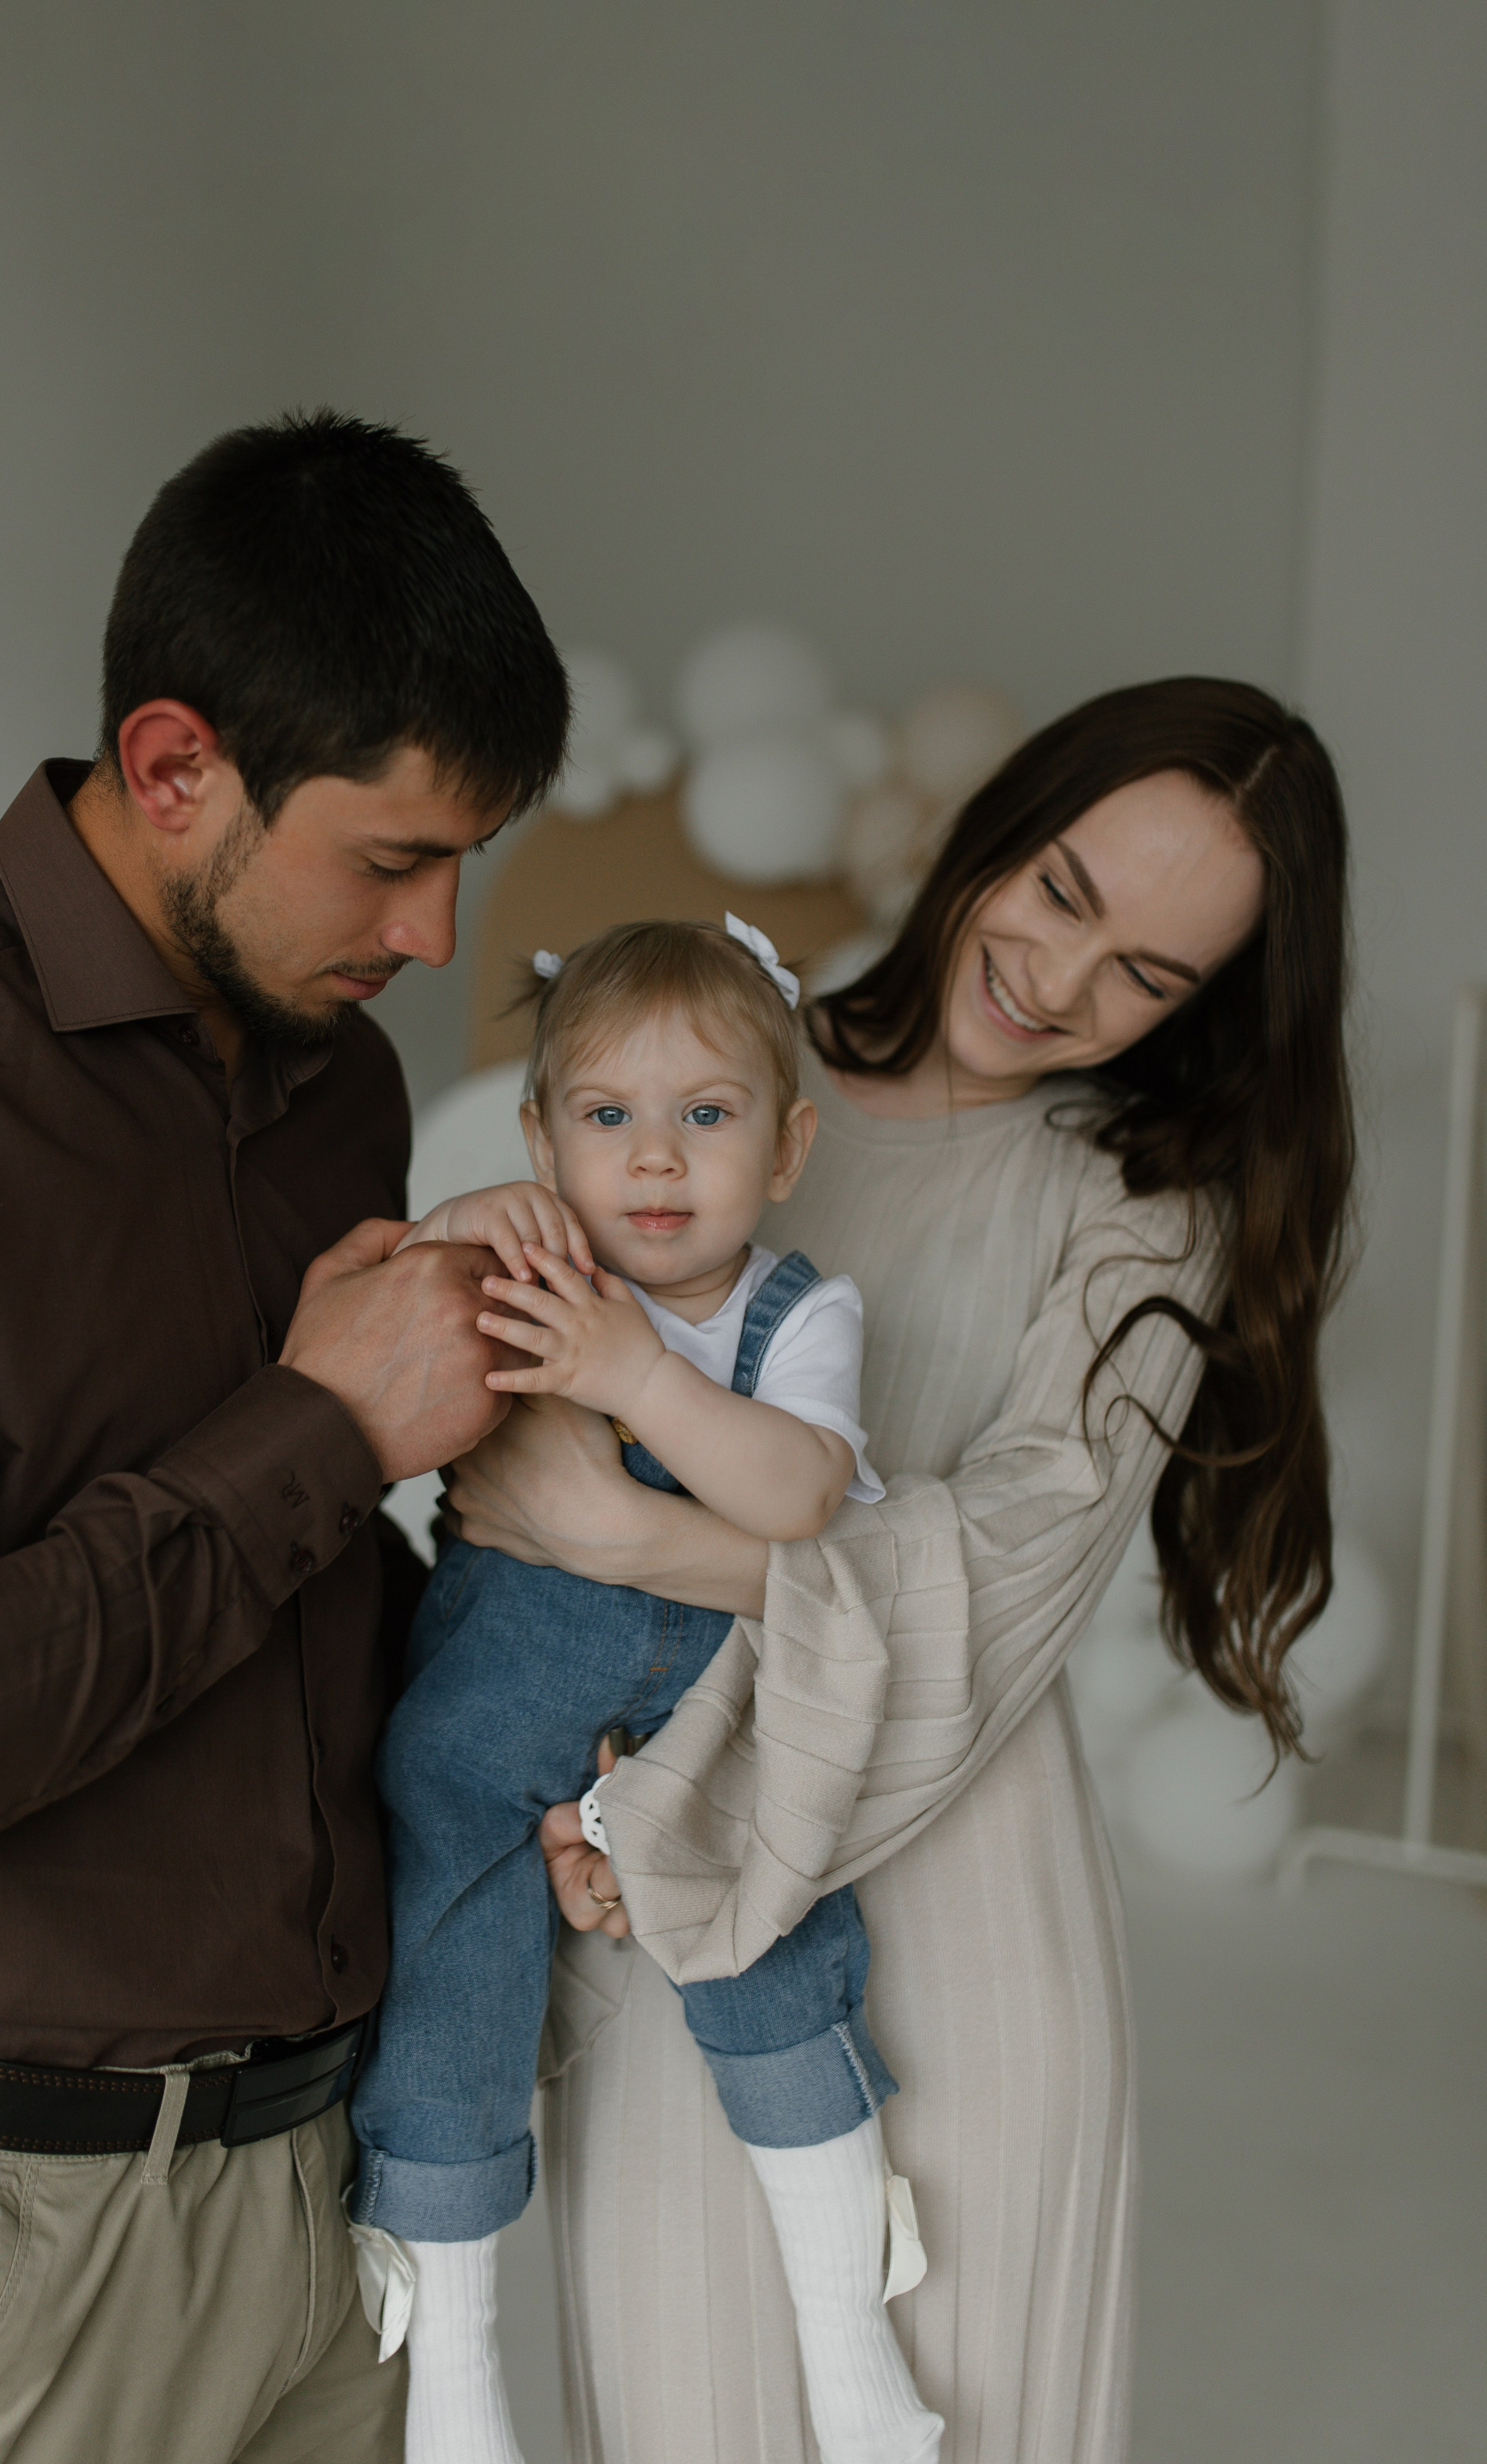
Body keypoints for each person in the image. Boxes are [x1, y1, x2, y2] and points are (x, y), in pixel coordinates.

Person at [447, 677, 1355, 2464]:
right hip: (667, 1860)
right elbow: (494, 1470)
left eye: (1150, 977)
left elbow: (996, 1582)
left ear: (1208, 1012)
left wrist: (629, 1532)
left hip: (969, 1922)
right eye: (1065, 892)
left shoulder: (1144, 1217)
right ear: (1004, 822)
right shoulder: (702, 1080)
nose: (1062, 981)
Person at [0, 409, 567, 2464]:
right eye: (396, 856)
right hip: (9, 2252)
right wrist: (326, 1423)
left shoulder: (334, 1070)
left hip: (338, 2198)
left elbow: (304, 1589)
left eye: (467, 864)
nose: (435, 937)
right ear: (177, 771)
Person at [350, 916, 941, 2464]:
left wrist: (633, 1378)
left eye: (708, 1114)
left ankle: (846, 2343)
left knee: (775, 1936)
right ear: (543, 1138)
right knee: (450, 1951)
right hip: (494, 1707)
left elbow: (801, 1494)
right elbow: (372, 1337)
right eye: (607, 1117)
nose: (657, 1162)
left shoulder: (795, 1314)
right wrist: (463, 1221)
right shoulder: (524, 1264)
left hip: (706, 1723)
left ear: (789, 1143)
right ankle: (458, 2385)